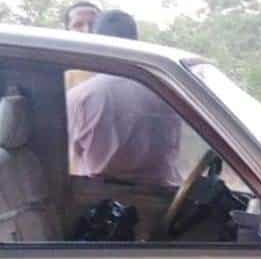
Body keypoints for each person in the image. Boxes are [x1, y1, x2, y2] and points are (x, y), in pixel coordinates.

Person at [66, 9, 181, 186]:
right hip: (162, 195)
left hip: (97, 199)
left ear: (96, 40)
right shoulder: (167, 91)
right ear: (135, 40)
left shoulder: (80, 96)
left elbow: (69, 154)